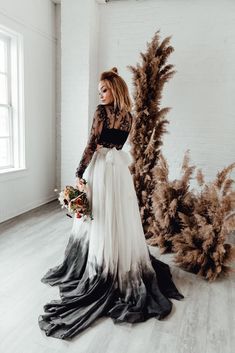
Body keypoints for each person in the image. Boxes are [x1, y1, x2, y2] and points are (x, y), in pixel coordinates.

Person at [38, 67, 184, 340]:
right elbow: (120, 144)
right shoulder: (128, 117)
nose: (101, 94)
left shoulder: (101, 112)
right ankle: (114, 258)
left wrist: (79, 171)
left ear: (115, 89)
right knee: (115, 216)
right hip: (118, 172)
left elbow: (92, 144)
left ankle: (100, 264)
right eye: (99, 91)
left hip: (103, 169)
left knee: (100, 216)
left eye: (104, 89)